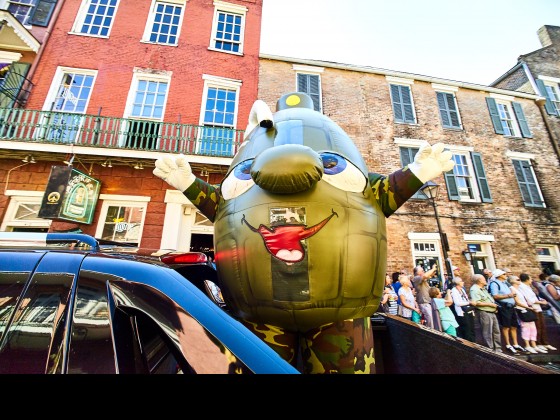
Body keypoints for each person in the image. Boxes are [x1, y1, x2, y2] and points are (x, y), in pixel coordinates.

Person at [153, 92, 455, 374]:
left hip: (340, 314)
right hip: (259, 314)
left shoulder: (363, 185)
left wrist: (416, 173)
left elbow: (382, 193)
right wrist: (189, 183)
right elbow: (223, 205)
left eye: (330, 163)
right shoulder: (240, 185)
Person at [488, 268, 524, 354]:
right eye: (504, 274)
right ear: (499, 276)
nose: (506, 275)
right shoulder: (495, 283)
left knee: (514, 325)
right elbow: (495, 296)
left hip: (511, 306)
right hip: (504, 307)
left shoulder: (505, 283)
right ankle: (508, 344)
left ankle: (515, 344)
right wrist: (509, 295)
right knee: (506, 326)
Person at [518, 273, 556, 351]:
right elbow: (530, 299)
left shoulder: (528, 287)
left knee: (542, 326)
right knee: (537, 326)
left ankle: (545, 343)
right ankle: (538, 343)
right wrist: (541, 302)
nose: (532, 280)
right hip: (533, 308)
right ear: (527, 279)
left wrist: (540, 300)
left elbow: (533, 297)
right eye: (530, 278)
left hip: (538, 308)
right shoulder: (522, 287)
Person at [470, 274, 502, 352]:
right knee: (487, 332)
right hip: (484, 312)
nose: (485, 280)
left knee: (496, 331)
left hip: (492, 311)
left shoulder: (483, 288)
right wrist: (490, 304)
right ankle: (490, 350)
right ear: (480, 280)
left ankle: (498, 349)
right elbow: (476, 302)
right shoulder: (474, 289)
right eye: (484, 279)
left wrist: (494, 307)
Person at [510, 276, 541, 354]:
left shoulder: (519, 289)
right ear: (512, 281)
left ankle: (534, 345)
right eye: (517, 279)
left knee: (533, 327)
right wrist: (529, 307)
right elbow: (517, 302)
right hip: (521, 310)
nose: (519, 280)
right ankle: (527, 345)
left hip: (527, 309)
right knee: (525, 328)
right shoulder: (512, 289)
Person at [450, 277, 476, 342]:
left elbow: (466, 299)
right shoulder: (454, 290)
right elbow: (457, 303)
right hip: (462, 313)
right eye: (461, 281)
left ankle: (474, 342)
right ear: (457, 283)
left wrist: (469, 302)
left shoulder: (462, 289)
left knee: (472, 328)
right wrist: (469, 302)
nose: (463, 282)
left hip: (468, 311)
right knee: (466, 329)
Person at [412, 264, 437, 329]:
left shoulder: (421, 279)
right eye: (422, 270)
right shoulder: (416, 278)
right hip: (424, 303)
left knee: (433, 320)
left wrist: (433, 271)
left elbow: (429, 275)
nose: (423, 271)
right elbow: (425, 275)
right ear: (418, 272)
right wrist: (433, 268)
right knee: (430, 321)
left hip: (428, 302)